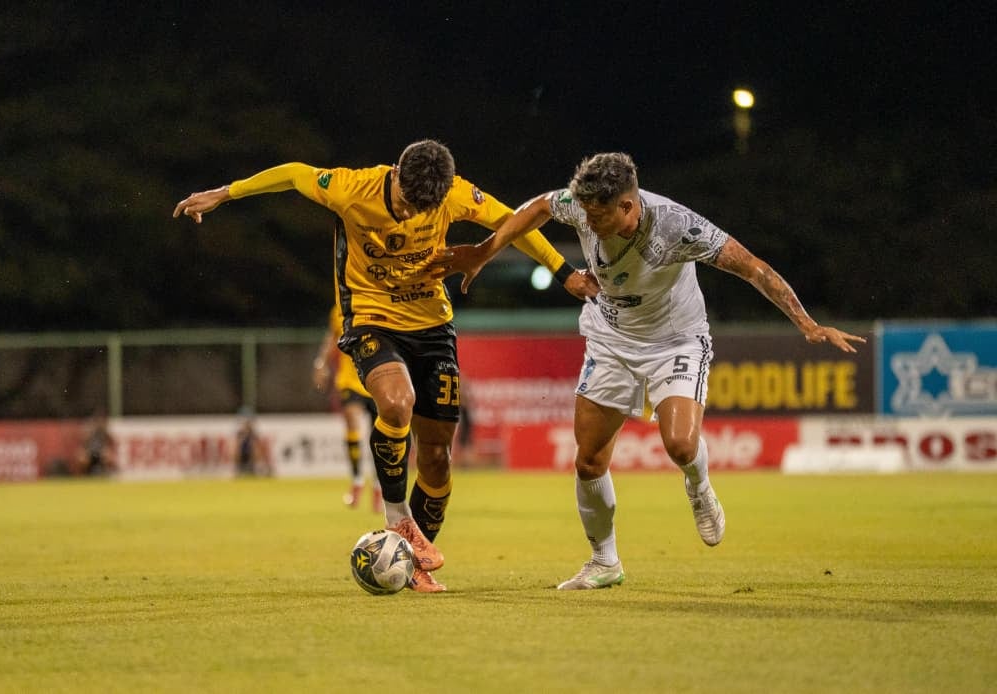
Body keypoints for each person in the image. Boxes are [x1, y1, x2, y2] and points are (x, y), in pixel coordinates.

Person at [173, 139, 596, 592]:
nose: (416, 215)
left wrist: (563, 272)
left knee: (437, 458)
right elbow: (294, 172)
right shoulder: (352, 189)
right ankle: (397, 518)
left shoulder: (452, 192)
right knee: (397, 403)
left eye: (425, 208)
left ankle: (411, 561)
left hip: (433, 328)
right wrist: (226, 193)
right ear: (396, 174)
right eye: (410, 204)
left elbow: (513, 220)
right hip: (371, 319)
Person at [430, 152, 866, 590]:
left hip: (675, 340)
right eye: (585, 214)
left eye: (599, 216)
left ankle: (699, 486)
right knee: (588, 460)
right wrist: (485, 252)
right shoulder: (582, 205)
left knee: (679, 444)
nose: (589, 224)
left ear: (627, 206)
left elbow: (753, 267)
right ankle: (604, 562)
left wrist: (806, 323)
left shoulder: (677, 227)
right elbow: (538, 207)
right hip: (611, 338)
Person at [314, 303, 383, 513]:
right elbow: (333, 338)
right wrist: (321, 364)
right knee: (352, 424)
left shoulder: (380, 304)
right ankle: (357, 481)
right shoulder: (339, 309)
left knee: (381, 437)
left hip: (377, 380)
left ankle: (380, 488)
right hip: (349, 380)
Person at [235, 411, 271, 477]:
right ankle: (240, 473)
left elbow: (256, 445)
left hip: (250, 454)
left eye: (249, 424)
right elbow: (238, 445)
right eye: (246, 424)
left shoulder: (253, 434)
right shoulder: (240, 433)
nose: (248, 425)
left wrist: (257, 455)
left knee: (252, 467)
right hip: (243, 454)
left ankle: (253, 472)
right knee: (241, 467)